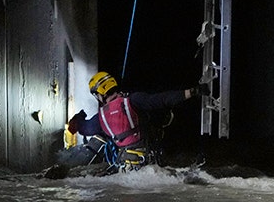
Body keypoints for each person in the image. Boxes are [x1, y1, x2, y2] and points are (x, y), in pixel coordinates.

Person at [66, 71, 201, 172]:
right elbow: (162, 99)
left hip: (127, 167)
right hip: (151, 162)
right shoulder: (133, 100)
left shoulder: (101, 117)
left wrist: (78, 118)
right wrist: (191, 92)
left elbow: (84, 128)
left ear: (99, 93)